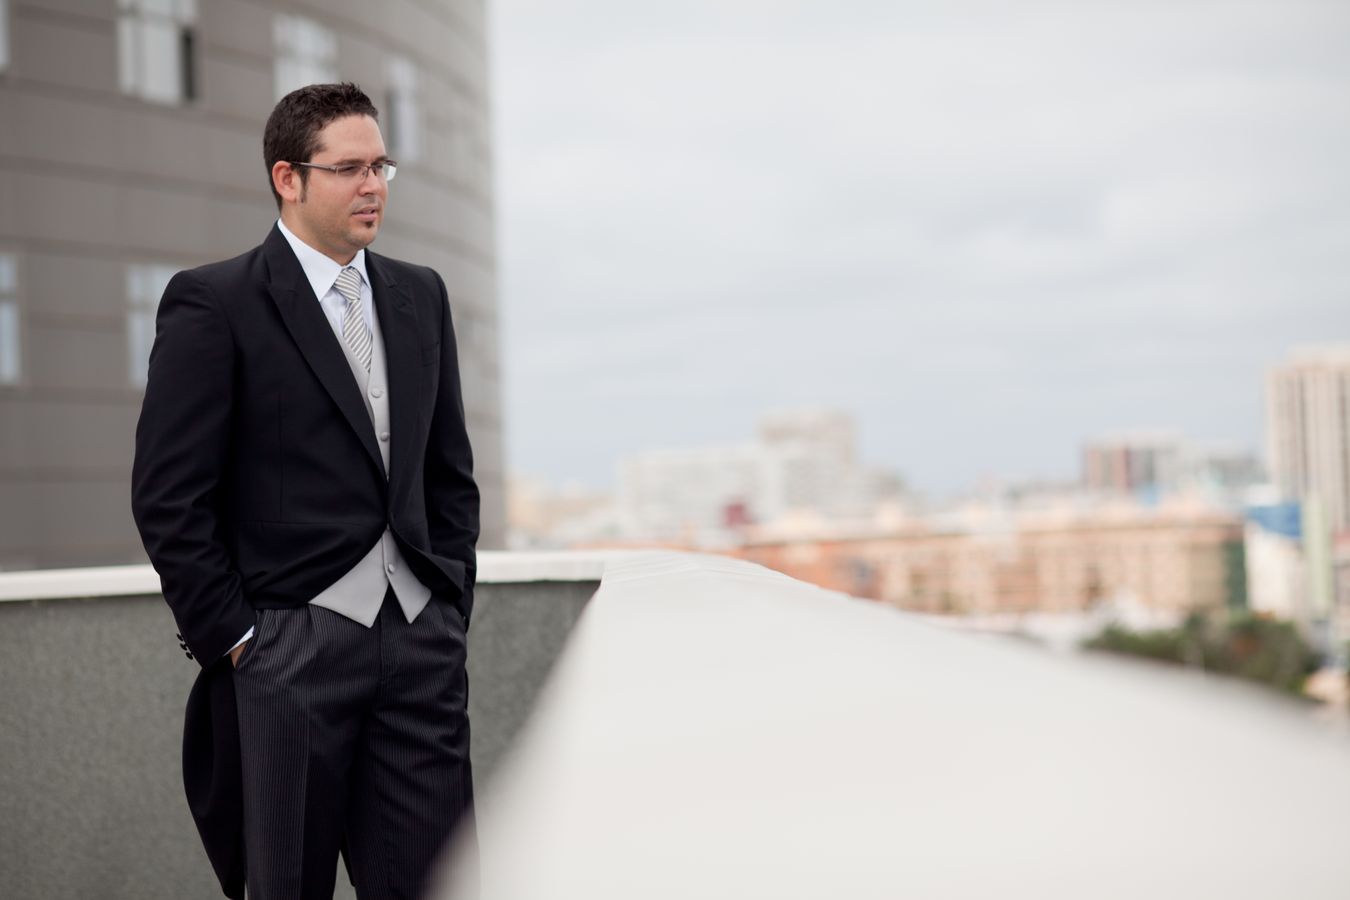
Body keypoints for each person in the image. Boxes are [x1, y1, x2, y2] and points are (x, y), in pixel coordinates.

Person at [131, 82, 480, 900]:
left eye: (381, 166)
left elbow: (448, 473)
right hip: (287, 653)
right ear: (288, 178)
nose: (374, 186)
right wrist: (241, 641)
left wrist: (449, 603)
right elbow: (168, 495)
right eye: (350, 168)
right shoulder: (215, 302)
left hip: (420, 645)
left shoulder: (419, 293)